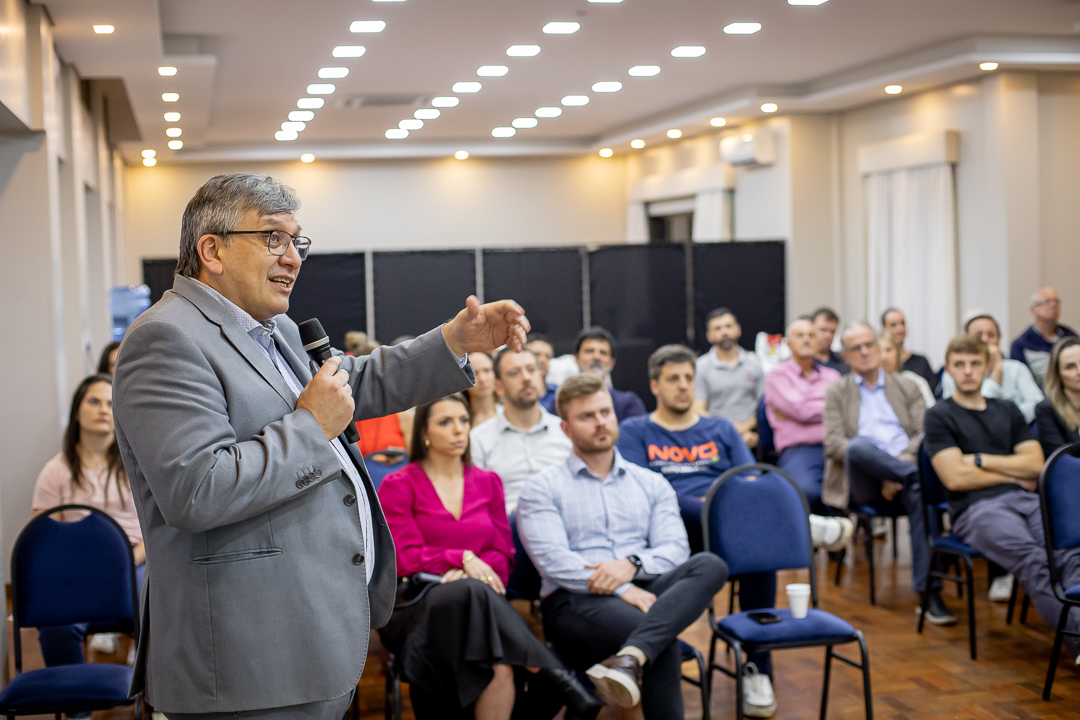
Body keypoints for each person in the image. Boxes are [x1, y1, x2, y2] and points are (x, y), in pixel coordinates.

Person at [112, 173, 530, 717]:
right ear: (211, 250)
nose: (292, 257)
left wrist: (454, 341)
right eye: (272, 239)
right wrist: (311, 425)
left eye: (296, 241)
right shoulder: (165, 338)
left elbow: (349, 384)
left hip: (305, 637)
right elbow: (198, 490)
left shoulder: (273, 329)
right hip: (247, 659)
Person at [619, 345, 852, 718]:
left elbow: (752, 480)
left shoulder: (721, 428)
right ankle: (804, 528)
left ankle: (756, 670)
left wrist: (732, 505)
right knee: (717, 515)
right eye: (673, 379)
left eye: (689, 378)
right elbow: (640, 492)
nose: (683, 386)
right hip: (675, 533)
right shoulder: (635, 431)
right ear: (654, 385)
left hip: (737, 528)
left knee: (758, 549)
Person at [376, 394, 601, 720]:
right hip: (417, 603)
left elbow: (502, 557)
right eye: (445, 422)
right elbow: (405, 558)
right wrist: (463, 558)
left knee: (498, 668)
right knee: (472, 591)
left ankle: (554, 678)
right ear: (424, 432)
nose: (458, 430)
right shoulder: (399, 484)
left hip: (479, 605)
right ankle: (556, 675)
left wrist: (471, 573)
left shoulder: (488, 482)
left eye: (464, 421)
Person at [518, 374, 728, 719]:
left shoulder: (651, 483)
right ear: (566, 429)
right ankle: (636, 652)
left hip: (643, 587)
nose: (600, 422)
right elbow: (555, 563)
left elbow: (675, 549)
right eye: (587, 416)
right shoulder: (542, 487)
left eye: (605, 412)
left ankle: (630, 658)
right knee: (661, 638)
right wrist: (624, 590)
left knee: (710, 564)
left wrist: (631, 565)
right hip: (573, 600)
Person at [925, 334, 1080, 661]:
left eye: (975, 363)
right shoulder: (939, 415)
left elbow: (1036, 465)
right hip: (976, 509)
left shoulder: (1007, 410)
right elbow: (954, 477)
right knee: (1034, 559)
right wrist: (1013, 471)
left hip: (1027, 501)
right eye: (960, 364)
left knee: (1068, 551)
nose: (968, 371)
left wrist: (978, 459)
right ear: (948, 369)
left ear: (987, 367)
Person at [823, 325, 954, 624]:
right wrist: (884, 472)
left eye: (869, 344)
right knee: (858, 447)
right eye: (857, 348)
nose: (866, 352)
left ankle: (928, 592)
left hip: (904, 474)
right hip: (865, 480)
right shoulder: (837, 391)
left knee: (917, 488)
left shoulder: (906, 386)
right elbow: (834, 443)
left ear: (880, 347)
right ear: (846, 356)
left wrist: (900, 465)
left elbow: (924, 432)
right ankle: (908, 475)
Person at [32, 374, 145, 670]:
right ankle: (77, 712)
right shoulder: (55, 470)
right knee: (55, 621)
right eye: (94, 401)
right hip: (75, 567)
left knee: (159, 605)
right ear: (76, 412)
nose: (103, 409)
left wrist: (127, 561)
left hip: (134, 561)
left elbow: (156, 528)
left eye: (111, 403)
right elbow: (43, 539)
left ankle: (156, 700)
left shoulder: (137, 465)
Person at [470, 347, 572, 514]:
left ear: (540, 377)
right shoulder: (478, 439)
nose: (526, 378)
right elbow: (476, 501)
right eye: (514, 373)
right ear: (499, 387)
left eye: (531, 370)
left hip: (566, 516)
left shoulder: (566, 431)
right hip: (508, 525)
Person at [765, 318, 842, 513]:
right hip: (799, 450)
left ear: (819, 342)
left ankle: (838, 540)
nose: (806, 340)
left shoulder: (832, 376)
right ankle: (814, 542)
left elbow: (844, 410)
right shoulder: (777, 376)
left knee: (848, 490)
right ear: (789, 344)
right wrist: (828, 407)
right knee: (809, 492)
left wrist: (807, 404)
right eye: (800, 335)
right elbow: (802, 412)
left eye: (811, 335)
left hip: (835, 446)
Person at [941, 313, 1043, 423]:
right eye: (979, 335)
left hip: (1016, 430)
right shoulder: (956, 372)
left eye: (991, 335)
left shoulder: (1016, 368)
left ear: (999, 338)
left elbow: (1037, 403)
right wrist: (996, 371)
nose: (985, 339)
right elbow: (978, 414)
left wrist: (1006, 420)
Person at [691, 308, 765, 449]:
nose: (724, 332)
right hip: (713, 435)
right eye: (718, 328)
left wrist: (744, 429)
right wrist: (732, 432)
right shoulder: (700, 366)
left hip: (751, 435)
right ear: (709, 335)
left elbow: (765, 407)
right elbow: (698, 409)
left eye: (728, 326)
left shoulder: (754, 363)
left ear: (738, 330)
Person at [574, 327, 646, 422]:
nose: (596, 357)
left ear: (612, 363)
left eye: (603, 353)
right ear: (576, 358)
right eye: (589, 351)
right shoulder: (561, 403)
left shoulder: (629, 404)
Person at [1010, 287, 1078, 386]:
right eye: (1047, 301)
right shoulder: (1021, 344)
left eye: (1056, 301)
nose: (1053, 305)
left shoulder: (1070, 337)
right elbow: (1020, 381)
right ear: (1033, 309)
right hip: (1041, 395)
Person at [1035, 336, 1080, 458]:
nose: (1079, 371)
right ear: (1058, 374)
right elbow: (1062, 459)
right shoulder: (1047, 410)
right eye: (1070, 367)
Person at [881, 307, 939, 394]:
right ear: (883, 329)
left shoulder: (921, 362)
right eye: (893, 325)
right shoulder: (880, 365)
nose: (900, 328)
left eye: (903, 323)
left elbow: (933, 394)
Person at [878, 331, 935, 409]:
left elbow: (931, 412)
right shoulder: (870, 388)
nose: (884, 357)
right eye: (878, 351)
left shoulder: (915, 381)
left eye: (888, 350)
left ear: (897, 352)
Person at [525, 333, 559, 413]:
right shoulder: (511, 393)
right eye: (536, 354)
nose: (542, 360)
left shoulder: (559, 394)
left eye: (547, 356)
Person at [812, 307, 850, 375]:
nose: (828, 336)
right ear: (811, 328)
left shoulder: (844, 362)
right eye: (823, 330)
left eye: (832, 331)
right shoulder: (803, 363)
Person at [466, 351, 498, 426]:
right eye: (474, 373)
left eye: (487, 370)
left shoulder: (510, 413)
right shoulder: (461, 421)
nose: (482, 379)